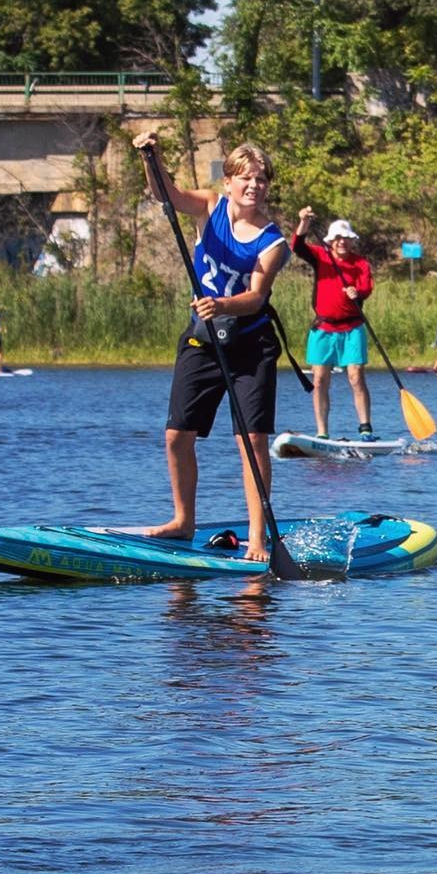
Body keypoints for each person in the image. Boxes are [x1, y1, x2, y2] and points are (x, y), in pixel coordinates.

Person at [133, 132, 288, 563]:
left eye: (261, 179)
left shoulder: (273, 242)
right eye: (246, 178)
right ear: (229, 183)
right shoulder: (208, 207)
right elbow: (166, 195)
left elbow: (256, 297)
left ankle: (258, 538)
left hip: (249, 346)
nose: (254, 186)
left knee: (252, 443)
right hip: (202, 340)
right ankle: (183, 521)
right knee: (176, 436)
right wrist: (152, 156)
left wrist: (220, 303)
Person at [292, 213, 376, 439]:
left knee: (356, 376)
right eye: (337, 238)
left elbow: (366, 289)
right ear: (330, 240)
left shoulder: (360, 264)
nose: (342, 242)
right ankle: (322, 432)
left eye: (346, 238)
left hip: (352, 328)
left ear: (352, 240)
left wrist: (356, 293)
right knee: (319, 380)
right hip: (323, 329)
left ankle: (365, 428)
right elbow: (297, 246)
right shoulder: (321, 256)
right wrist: (304, 222)